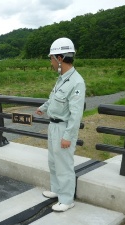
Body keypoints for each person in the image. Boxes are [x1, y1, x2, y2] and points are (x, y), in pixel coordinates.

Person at [35, 37, 86, 212]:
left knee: (64, 164)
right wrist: (43, 108)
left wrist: (68, 136)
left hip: (64, 127)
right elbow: (53, 99)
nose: (50, 61)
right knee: (53, 161)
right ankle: (56, 190)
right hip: (53, 125)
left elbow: (76, 114)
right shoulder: (62, 78)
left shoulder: (76, 81)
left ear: (60, 58)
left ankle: (67, 199)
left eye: (51, 58)